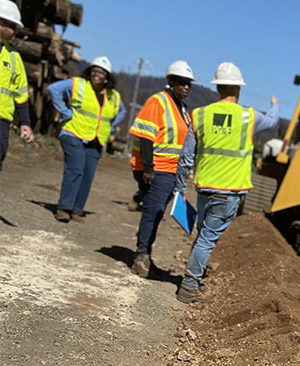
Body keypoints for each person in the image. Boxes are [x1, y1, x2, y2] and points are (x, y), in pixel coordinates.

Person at [173, 62, 279, 303]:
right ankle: (189, 288)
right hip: (228, 192)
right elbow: (272, 122)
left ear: (218, 88)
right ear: (238, 89)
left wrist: (180, 187)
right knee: (207, 239)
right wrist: (275, 105)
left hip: (204, 189)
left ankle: (192, 279)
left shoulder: (200, 114)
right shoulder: (248, 116)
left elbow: (186, 156)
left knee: (203, 236)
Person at [129, 61, 195, 278]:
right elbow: (146, 135)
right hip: (157, 169)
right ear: (171, 81)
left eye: (189, 84)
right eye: (182, 83)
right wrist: (148, 167)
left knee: (157, 215)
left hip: (171, 171)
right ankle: (141, 257)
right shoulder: (159, 101)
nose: (186, 87)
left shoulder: (182, 109)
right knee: (153, 212)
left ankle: (145, 254)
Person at [48, 56, 125, 223]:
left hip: (96, 140)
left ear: (107, 76)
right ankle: (64, 208)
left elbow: (122, 112)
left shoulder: (114, 96)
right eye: (94, 71)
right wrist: (65, 112)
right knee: (76, 169)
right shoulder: (78, 84)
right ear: (89, 72)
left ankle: (77, 210)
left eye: (101, 72)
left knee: (87, 175)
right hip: (73, 133)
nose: (97, 74)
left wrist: (110, 126)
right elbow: (54, 89)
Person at [0, 0, 34, 177]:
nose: (13, 31)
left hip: (2, 121)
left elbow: (21, 95)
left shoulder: (14, 57)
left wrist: (25, 123)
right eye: (11, 26)